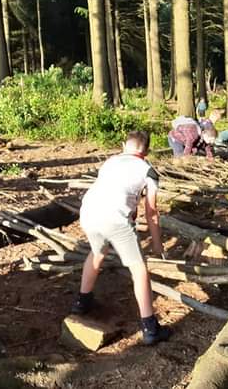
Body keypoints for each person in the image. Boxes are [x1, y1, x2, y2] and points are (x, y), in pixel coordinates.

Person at [71, 132, 171, 345]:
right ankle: (150, 327)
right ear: (146, 151)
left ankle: (82, 302)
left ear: (124, 145)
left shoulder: (110, 161)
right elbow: (151, 212)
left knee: (97, 252)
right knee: (139, 268)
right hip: (114, 219)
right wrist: (156, 244)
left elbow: (116, 192)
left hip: (89, 213)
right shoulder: (148, 171)